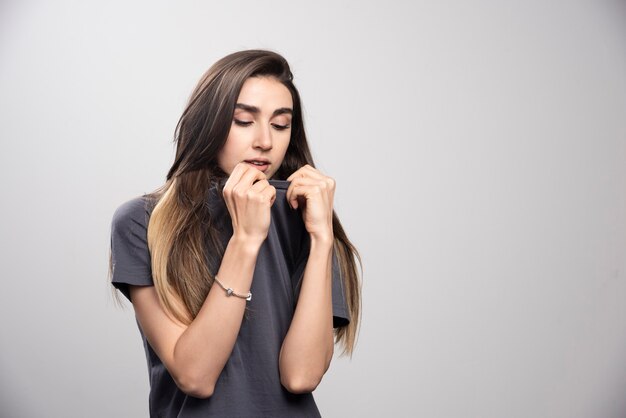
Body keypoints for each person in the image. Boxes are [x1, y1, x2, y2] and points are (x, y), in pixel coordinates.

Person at [108, 49, 362, 417]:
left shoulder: (304, 215)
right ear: (207, 123)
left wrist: (322, 238)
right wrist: (246, 239)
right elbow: (195, 375)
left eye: (280, 125)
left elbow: (301, 376)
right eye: (243, 121)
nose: (265, 141)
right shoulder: (143, 221)